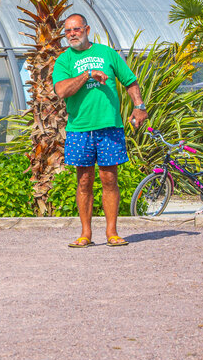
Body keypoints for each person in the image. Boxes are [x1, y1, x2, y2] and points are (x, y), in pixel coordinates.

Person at [53, 13, 147, 247]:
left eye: (76, 29)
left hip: (109, 126)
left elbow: (130, 81)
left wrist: (139, 107)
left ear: (86, 29)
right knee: (84, 180)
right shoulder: (64, 61)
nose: (72, 34)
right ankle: (85, 233)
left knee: (109, 179)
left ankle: (112, 232)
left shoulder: (107, 53)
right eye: (68, 31)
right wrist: (87, 75)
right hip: (80, 128)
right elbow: (62, 90)